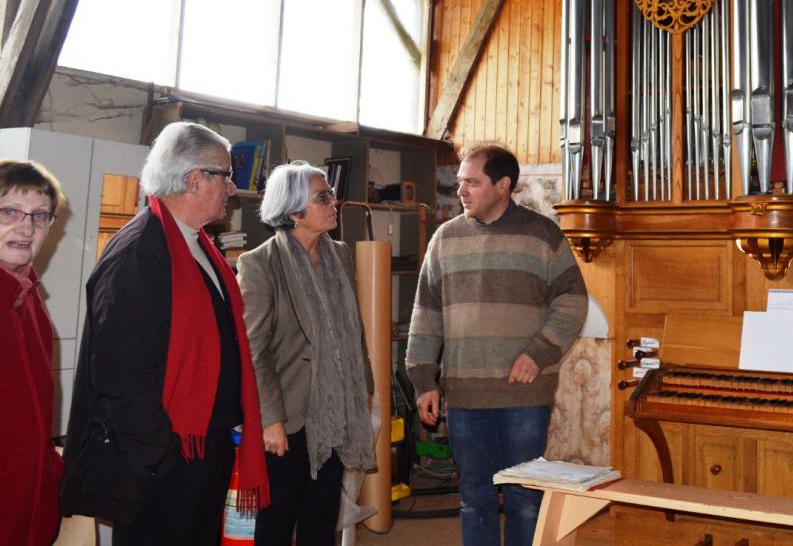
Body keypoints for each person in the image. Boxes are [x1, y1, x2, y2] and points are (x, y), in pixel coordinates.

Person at [61, 122, 270, 545]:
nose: (232, 189)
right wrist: (162, 458)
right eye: (226, 176)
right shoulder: (139, 251)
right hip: (165, 462)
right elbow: (120, 377)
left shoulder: (196, 243)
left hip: (202, 449)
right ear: (195, 179)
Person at [406, 142, 587, 546]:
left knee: (524, 499)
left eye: (472, 182)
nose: (461, 191)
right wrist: (423, 379)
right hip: (465, 395)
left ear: (503, 185)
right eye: (460, 182)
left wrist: (538, 353)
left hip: (524, 394)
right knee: (474, 498)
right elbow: (426, 314)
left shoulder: (543, 235)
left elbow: (573, 301)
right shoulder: (445, 239)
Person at [236, 161, 375, 546]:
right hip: (289, 414)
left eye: (330, 194)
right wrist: (270, 419)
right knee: (277, 522)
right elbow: (254, 348)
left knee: (322, 517)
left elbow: (353, 328)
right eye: (322, 197)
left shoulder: (340, 255)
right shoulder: (260, 264)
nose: (334, 202)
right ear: (294, 211)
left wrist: (363, 385)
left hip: (334, 410)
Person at [0, 160, 66, 546]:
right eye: (9, 212)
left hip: (28, 513)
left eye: (39, 216)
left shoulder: (30, 300)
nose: (26, 228)